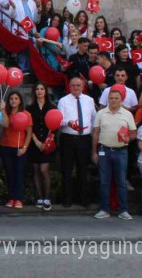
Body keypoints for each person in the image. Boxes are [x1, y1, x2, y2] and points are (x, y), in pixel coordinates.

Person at [92, 89, 137, 220]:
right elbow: (95, 133)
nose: (113, 100)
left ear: (121, 100)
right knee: (104, 181)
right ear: (108, 99)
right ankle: (104, 209)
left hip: (121, 151)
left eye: (116, 98)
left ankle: (123, 210)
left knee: (121, 181)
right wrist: (93, 152)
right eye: (111, 98)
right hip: (103, 150)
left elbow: (133, 133)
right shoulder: (101, 113)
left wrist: (128, 138)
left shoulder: (127, 114)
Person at [58, 77, 97, 208]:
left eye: (78, 85)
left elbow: (94, 119)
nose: (76, 88)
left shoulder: (89, 100)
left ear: (83, 86)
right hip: (68, 138)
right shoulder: (63, 101)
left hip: (84, 139)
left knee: (83, 169)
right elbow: (58, 121)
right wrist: (67, 122)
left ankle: (84, 199)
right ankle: (67, 199)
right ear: (69, 87)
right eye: (73, 85)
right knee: (67, 169)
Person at [26, 83, 57, 210]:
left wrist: (47, 141)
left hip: (48, 142)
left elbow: (55, 125)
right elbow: (28, 126)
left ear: (45, 91)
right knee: (36, 170)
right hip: (34, 142)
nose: (39, 91)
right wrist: (36, 141)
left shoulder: (52, 106)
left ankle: (47, 198)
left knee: (44, 170)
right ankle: (39, 197)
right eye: (37, 89)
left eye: (42, 89)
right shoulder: (30, 107)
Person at [0, 91, 32, 208]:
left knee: (19, 173)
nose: (13, 100)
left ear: (20, 101)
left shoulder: (26, 114)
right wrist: (3, 111)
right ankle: (11, 198)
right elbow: (6, 125)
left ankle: (18, 199)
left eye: (16, 98)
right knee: (9, 174)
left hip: (20, 148)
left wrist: (24, 147)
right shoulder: (6, 113)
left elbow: (29, 133)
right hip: (6, 147)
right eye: (11, 99)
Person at [9, 0, 37, 71]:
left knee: (31, 49)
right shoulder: (15, 2)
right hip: (20, 28)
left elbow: (34, 17)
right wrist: (13, 7)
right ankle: (23, 69)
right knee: (22, 49)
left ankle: (30, 68)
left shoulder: (32, 3)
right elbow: (11, 15)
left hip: (30, 29)